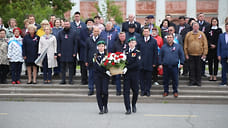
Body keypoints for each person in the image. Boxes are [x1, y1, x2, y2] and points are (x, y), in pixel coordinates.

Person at [159, 33, 185, 98]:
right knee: (165, 80)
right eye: (168, 37)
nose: (169, 39)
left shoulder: (178, 46)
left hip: (174, 66)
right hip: (166, 66)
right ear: (166, 39)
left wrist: (181, 63)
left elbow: (181, 55)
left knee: (175, 80)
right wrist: (160, 64)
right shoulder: (163, 47)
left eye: (170, 37)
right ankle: (166, 91)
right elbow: (160, 56)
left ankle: (175, 91)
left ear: (173, 38)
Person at [184, 22, 208, 86]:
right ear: (192, 27)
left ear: (198, 27)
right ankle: (192, 81)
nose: (195, 28)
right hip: (190, 55)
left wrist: (204, 54)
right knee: (191, 68)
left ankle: (198, 81)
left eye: (196, 26)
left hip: (199, 55)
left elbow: (205, 44)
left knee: (198, 68)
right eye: (194, 26)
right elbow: (185, 44)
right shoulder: (188, 34)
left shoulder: (202, 34)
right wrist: (186, 54)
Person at [123, 37, 140, 114]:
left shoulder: (138, 52)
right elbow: (122, 62)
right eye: (130, 43)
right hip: (126, 75)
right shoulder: (125, 52)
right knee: (126, 92)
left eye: (133, 42)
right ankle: (128, 108)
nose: (131, 44)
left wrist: (127, 67)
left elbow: (137, 64)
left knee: (135, 91)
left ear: (135, 43)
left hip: (135, 75)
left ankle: (133, 104)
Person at [57, 20, 78, 84]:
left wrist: (75, 52)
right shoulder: (60, 33)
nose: (66, 25)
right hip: (62, 52)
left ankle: (71, 80)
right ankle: (63, 80)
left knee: (71, 68)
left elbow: (75, 43)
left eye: (67, 24)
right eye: (65, 24)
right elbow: (58, 43)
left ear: (70, 25)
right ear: (63, 25)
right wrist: (59, 52)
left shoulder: (74, 32)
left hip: (71, 53)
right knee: (62, 67)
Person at [139, 27, 158, 96]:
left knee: (148, 78)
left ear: (149, 32)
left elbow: (155, 52)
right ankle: (142, 90)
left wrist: (154, 62)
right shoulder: (140, 40)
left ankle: (147, 90)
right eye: (144, 31)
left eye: (147, 31)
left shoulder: (153, 41)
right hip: (141, 63)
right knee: (141, 78)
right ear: (143, 32)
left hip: (150, 63)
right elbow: (137, 52)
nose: (146, 33)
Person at [85, 27, 104, 95]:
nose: (96, 32)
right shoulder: (88, 39)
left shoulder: (102, 39)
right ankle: (91, 89)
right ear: (92, 32)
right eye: (95, 31)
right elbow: (86, 50)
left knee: (99, 76)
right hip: (91, 61)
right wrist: (86, 60)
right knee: (91, 76)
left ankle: (100, 90)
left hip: (99, 61)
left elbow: (104, 50)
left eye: (97, 31)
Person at [93, 40, 110, 114]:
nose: (101, 48)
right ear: (97, 47)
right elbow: (96, 67)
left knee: (105, 92)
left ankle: (105, 105)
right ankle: (101, 108)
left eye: (102, 46)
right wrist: (105, 71)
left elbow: (109, 65)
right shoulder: (95, 56)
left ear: (104, 47)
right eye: (99, 46)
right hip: (98, 76)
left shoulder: (108, 55)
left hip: (105, 77)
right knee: (99, 92)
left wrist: (109, 71)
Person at [71, 11, 88, 83]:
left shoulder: (83, 24)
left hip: (82, 45)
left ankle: (83, 74)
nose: (76, 17)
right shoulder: (71, 24)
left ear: (80, 17)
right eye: (75, 16)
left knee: (82, 59)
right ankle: (73, 72)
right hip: (73, 44)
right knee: (73, 58)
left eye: (78, 16)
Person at [197, 13, 210, 77]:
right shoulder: (195, 24)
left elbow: (208, 35)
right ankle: (197, 73)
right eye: (200, 16)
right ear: (198, 17)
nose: (201, 17)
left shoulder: (207, 25)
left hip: (204, 43)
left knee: (203, 59)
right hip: (196, 44)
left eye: (202, 16)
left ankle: (203, 72)